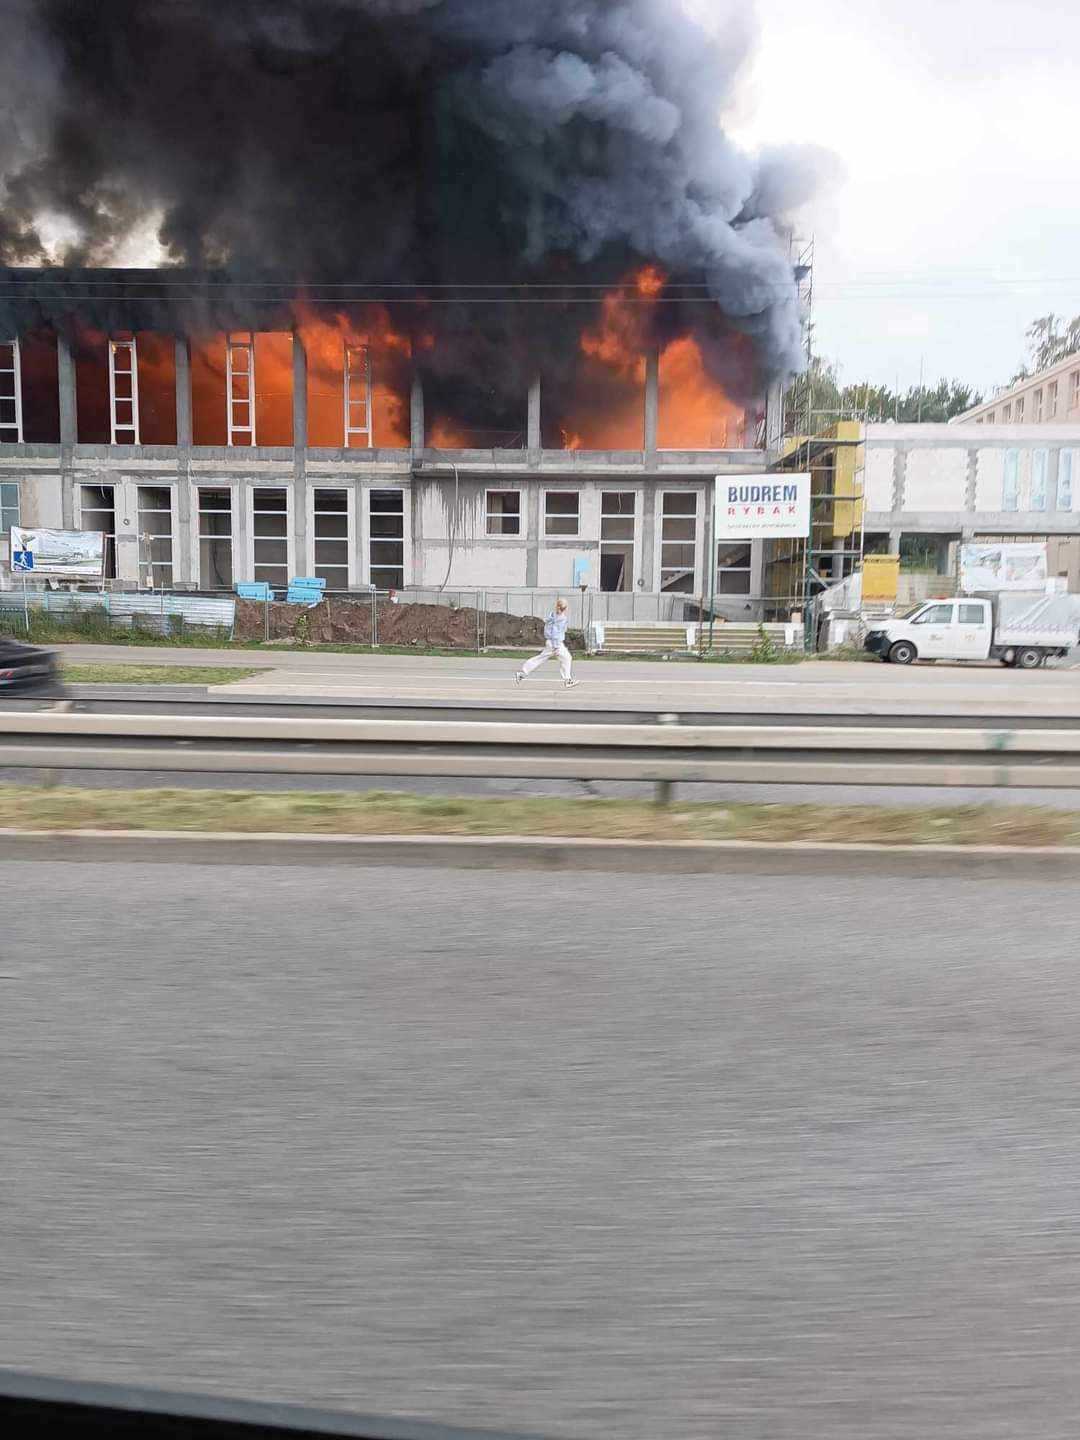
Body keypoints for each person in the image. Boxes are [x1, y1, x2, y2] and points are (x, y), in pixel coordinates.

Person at [516, 597, 578, 688]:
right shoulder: (562, 618)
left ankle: (522, 673)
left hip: (550, 642)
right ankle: (567, 680)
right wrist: (556, 646)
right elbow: (556, 632)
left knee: (541, 658)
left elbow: (548, 630)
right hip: (555, 643)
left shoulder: (552, 615)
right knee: (567, 658)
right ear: (565, 608)